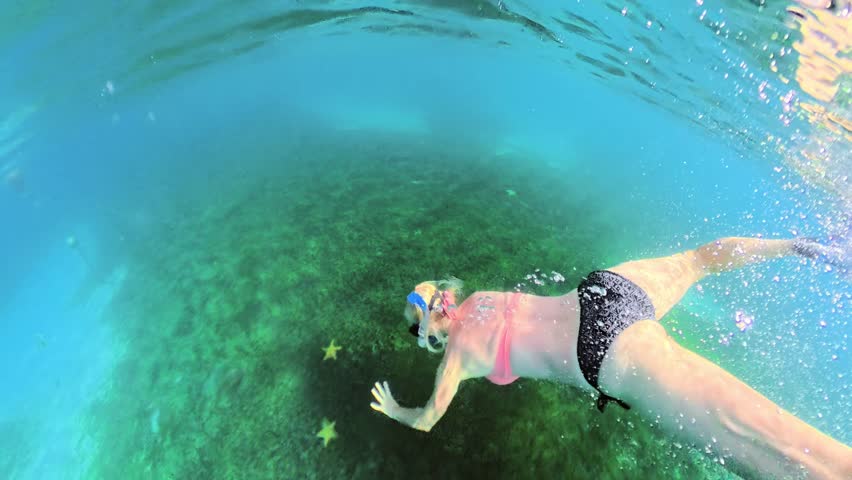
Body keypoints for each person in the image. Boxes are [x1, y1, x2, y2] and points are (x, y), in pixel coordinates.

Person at [369, 236, 852, 480]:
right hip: (605, 291)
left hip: (605, 353)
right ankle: (802, 247)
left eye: (417, 329)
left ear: (430, 324)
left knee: (772, 445)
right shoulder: (480, 299)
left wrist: (398, 411)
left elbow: (428, 420)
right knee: (696, 261)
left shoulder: (455, 356)